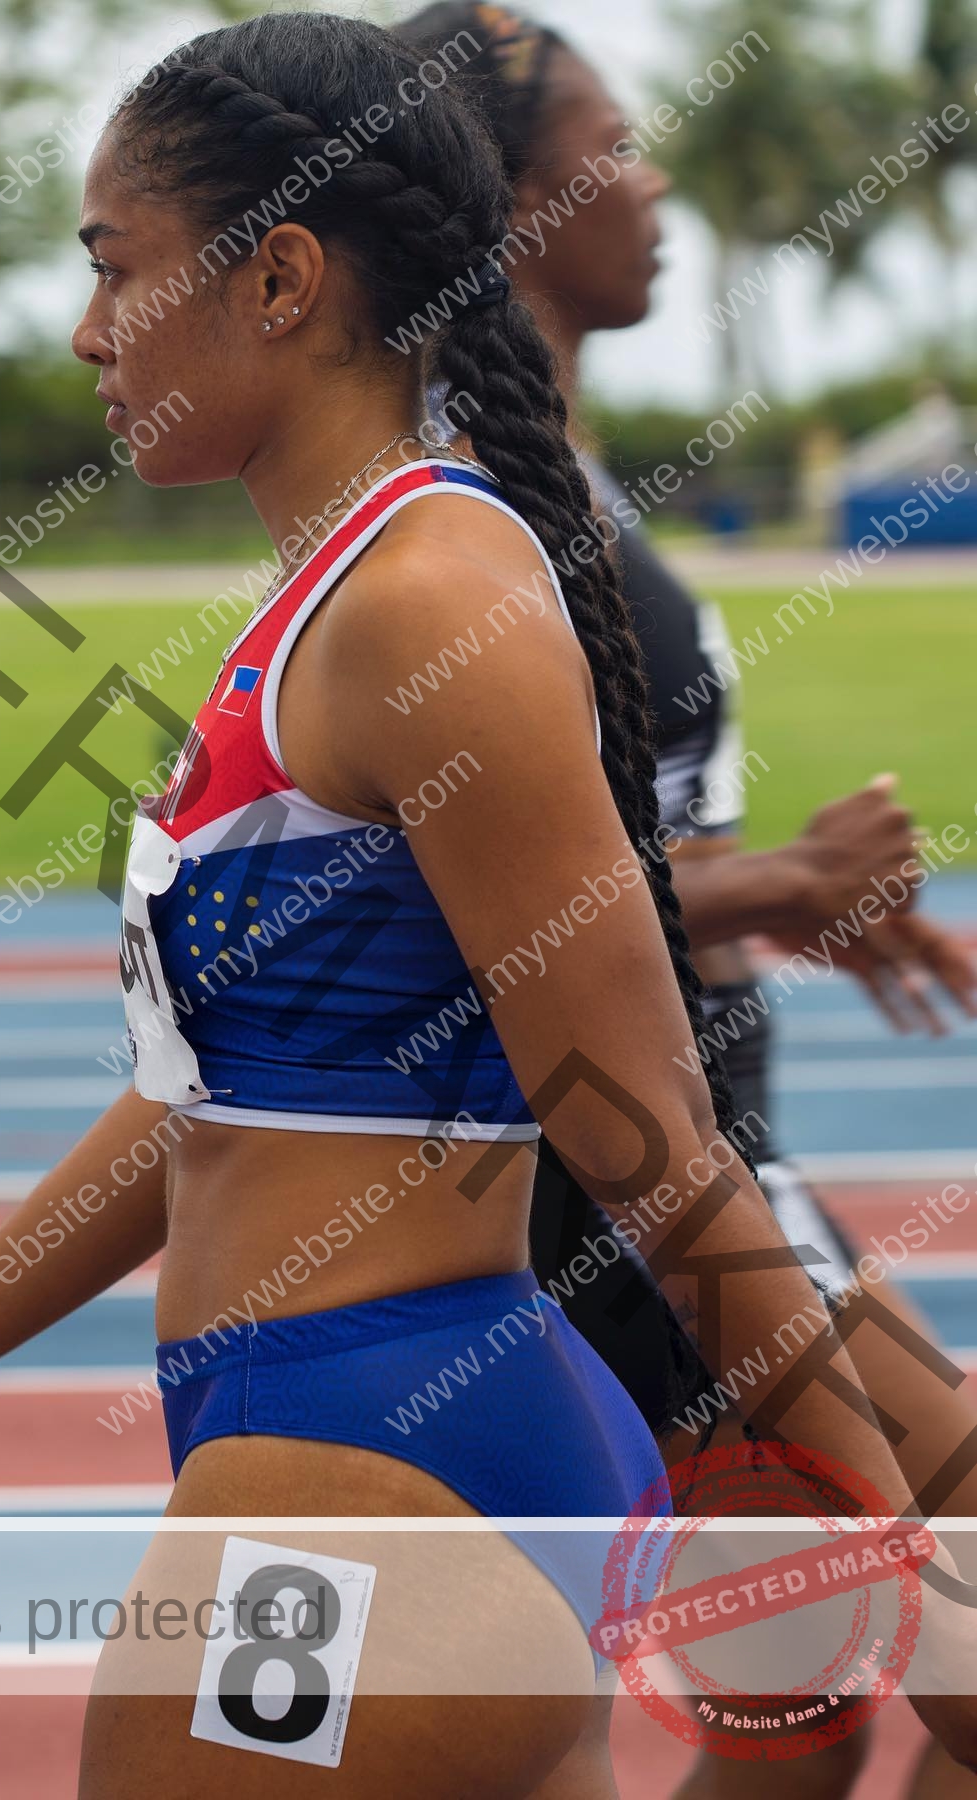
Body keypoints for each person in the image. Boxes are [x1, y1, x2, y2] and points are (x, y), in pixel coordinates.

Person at [0, 15, 977, 1795]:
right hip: (363, 1447)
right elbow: (215, 1106)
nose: (86, 331)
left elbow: (650, 1135)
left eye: (116, 269)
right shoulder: (338, 598)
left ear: (282, 279)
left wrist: (882, 1534)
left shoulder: (423, 601)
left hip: (363, 1471)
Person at [394, 5, 977, 1795]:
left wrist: (765, 895)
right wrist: (777, 882)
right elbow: (456, 895)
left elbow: (605, 846)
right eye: (619, 152)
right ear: (513, 203)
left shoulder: (543, 469)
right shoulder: (471, 518)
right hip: (641, 1189)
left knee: (792, 1719)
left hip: (685, 1166)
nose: (655, 191)